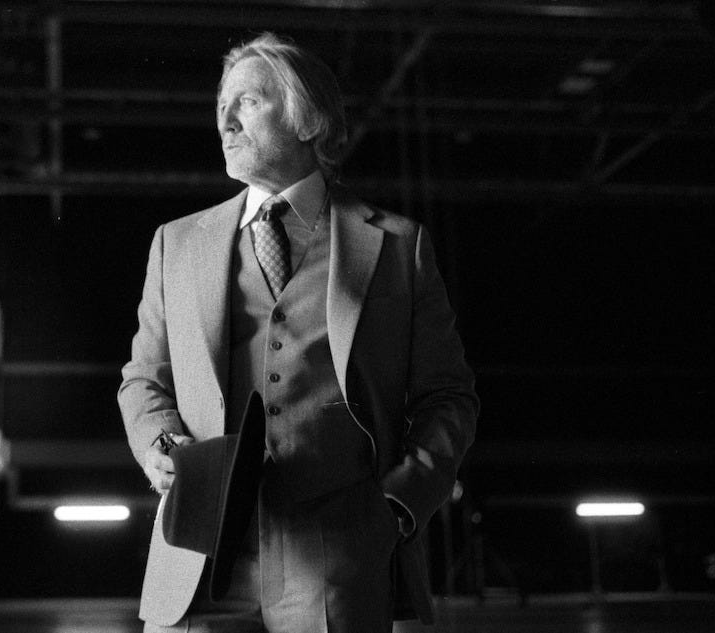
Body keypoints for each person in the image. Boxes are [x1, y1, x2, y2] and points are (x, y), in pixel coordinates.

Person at [118, 32, 478, 633]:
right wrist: (159, 446)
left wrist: (398, 504)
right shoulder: (174, 244)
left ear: (308, 119)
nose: (226, 121)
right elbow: (142, 380)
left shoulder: (398, 246)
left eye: (248, 101)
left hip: (339, 559)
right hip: (197, 554)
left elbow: (448, 397)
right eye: (221, 106)